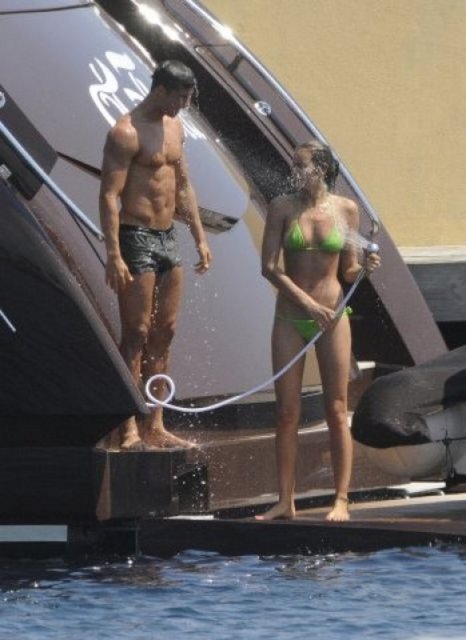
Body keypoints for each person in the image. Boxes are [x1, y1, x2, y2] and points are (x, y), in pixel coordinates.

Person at [257, 140, 381, 520]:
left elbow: (347, 270)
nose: (295, 170)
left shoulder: (346, 209)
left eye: (302, 164)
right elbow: (269, 267)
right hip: (291, 317)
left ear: (322, 169)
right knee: (286, 411)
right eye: (294, 164)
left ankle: (341, 499)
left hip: (333, 316)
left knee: (337, 408)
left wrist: (364, 269)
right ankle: (285, 500)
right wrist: (307, 304)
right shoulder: (282, 207)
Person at [99, 60, 212, 451]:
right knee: (136, 333)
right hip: (135, 236)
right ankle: (127, 426)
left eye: (188, 98)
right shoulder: (125, 132)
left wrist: (199, 236)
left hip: (167, 237)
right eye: (180, 97)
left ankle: (156, 423)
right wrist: (113, 254)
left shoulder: (175, 128)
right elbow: (109, 196)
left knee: (165, 332)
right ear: (160, 90)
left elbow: (183, 186)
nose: (184, 105)